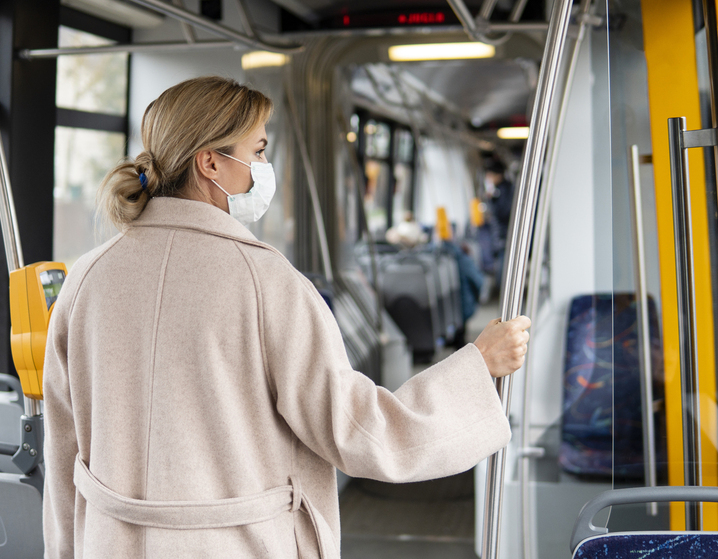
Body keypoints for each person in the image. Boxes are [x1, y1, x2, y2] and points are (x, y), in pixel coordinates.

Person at [42, 76, 531, 558]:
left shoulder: (84, 280)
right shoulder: (266, 282)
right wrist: (476, 366)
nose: (263, 166)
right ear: (210, 162)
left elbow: (64, 453)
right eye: (257, 152)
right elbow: (358, 430)